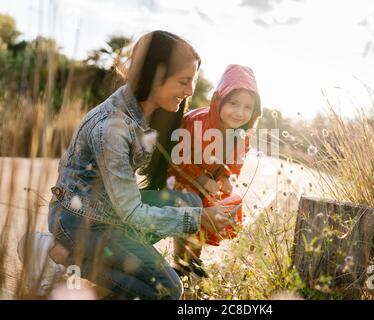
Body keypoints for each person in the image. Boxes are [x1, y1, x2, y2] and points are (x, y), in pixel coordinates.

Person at [17, 30, 238, 300]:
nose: (190, 91)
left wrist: (215, 177)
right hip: (81, 222)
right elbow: (132, 212)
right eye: (184, 81)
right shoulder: (112, 128)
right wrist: (200, 218)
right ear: (155, 76)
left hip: (109, 211)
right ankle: (61, 255)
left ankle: (96, 263)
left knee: (189, 201)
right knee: (167, 290)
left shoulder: (148, 111)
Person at [168, 64, 261, 278]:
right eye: (233, 103)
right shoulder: (197, 122)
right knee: (191, 212)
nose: (240, 112)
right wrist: (199, 176)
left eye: (247, 107)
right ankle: (180, 262)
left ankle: (192, 258)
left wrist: (226, 176)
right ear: (219, 100)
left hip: (207, 182)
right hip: (183, 180)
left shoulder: (242, 134)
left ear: (255, 111)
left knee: (211, 213)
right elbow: (178, 157)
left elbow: (235, 160)